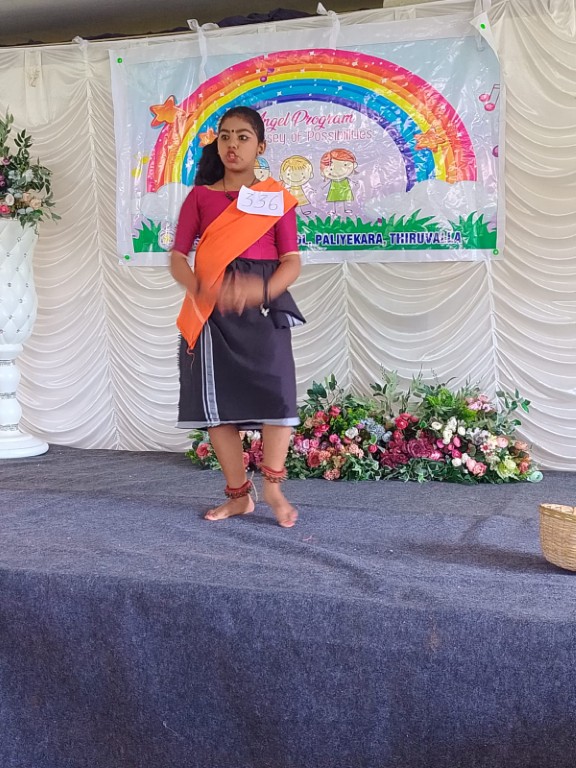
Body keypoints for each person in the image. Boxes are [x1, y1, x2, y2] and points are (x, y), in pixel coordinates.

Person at [170, 106, 304, 528]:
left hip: (263, 309)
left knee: (278, 397)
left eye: (243, 137)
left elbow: (291, 261)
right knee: (217, 409)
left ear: (260, 146)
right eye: (225, 136)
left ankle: (274, 490)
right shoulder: (200, 197)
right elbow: (177, 257)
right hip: (212, 313)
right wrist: (201, 289)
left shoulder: (276, 198)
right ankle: (238, 496)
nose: (232, 144)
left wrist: (261, 291)